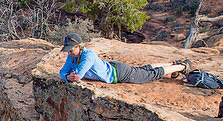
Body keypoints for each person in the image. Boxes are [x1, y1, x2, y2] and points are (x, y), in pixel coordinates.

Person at [58, 33, 188, 84]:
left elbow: (79, 75)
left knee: (149, 75)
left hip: (119, 74)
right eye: (68, 50)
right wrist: (66, 76)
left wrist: (70, 77)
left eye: (71, 49)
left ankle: (182, 66)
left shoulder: (88, 55)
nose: (69, 53)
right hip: (114, 68)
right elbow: (62, 71)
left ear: (79, 46)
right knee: (143, 70)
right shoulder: (73, 56)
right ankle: (172, 65)